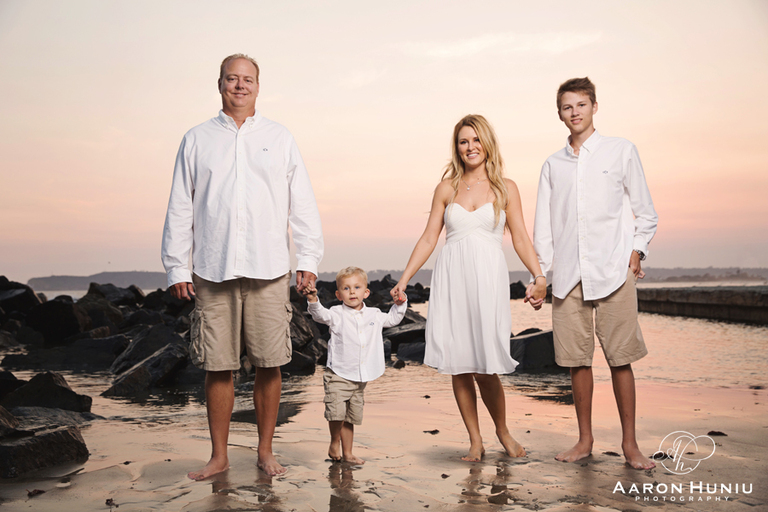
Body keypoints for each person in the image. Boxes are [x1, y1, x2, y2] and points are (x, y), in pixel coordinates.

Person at [161, 53, 323, 479]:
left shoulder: (280, 136)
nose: (239, 85)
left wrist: (307, 260)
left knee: (271, 362)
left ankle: (265, 451)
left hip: (269, 268)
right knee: (218, 365)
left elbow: (301, 202)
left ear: (257, 86)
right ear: (219, 84)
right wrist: (177, 267)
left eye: (247, 79)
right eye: (232, 78)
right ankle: (220, 456)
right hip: (212, 269)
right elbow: (180, 205)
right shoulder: (196, 139)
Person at [390, 115, 547, 462]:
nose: (470, 147)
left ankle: (503, 431)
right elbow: (430, 236)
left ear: (487, 143)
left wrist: (538, 276)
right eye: (463, 141)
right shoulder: (446, 188)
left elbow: (520, 236)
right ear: (456, 148)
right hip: (452, 279)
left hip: (487, 279)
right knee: (460, 364)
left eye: (476, 140)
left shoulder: (506, 187)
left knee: (485, 364)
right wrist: (404, 279)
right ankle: (475, 441)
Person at [531, 77, 658, 469]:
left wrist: (637, 251)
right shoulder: (552, 165)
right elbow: (544, 227)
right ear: (560, 114)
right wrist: (541, 276)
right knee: (577, 361)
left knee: (621, 358)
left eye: (581, 105)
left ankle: (630, 445)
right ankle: (584, 440)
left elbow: (646, 211)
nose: (575, 112)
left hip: (613, 271)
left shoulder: (621, 151)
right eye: (568, 107)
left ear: (594, 107)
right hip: (568, 276)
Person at [303, 267, 407, 464]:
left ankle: (348, 453)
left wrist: (400, 304)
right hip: (338, 373)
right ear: (338, 293)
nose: (352, 292)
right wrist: (313, 300)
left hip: (360, 376)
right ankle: (334, 442)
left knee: (350, 416)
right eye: (346, 288)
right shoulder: (336, 313)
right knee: (337, 412)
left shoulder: (374, 314)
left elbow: (393, 319)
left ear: (366, 292)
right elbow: (319, 316)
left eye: (357, 287)